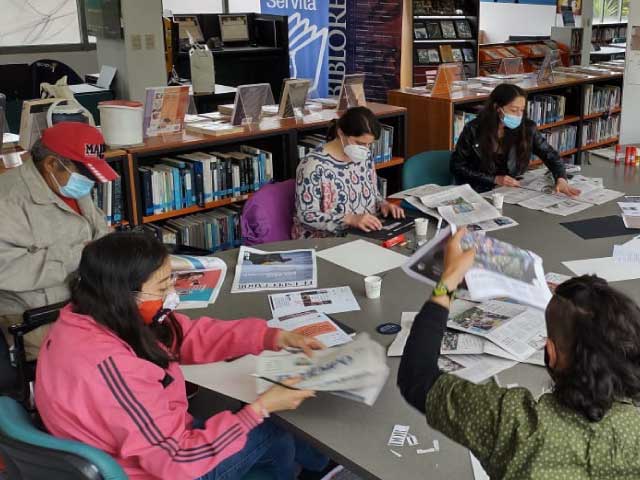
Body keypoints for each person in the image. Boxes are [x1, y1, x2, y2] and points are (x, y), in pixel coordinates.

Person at [36, 232, 329, 480]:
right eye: (163, 287)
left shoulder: (89, 316)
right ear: (123, 294)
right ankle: (311, 469)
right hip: (157, 468)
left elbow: (185, 336)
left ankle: (312, 464)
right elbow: (176, 460)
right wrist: (260, 408)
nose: (173, 293)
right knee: (274, 433)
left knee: (270, 433)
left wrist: (270, 336)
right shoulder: (112, 366)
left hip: (145, 443)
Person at [398, 228, 640, 479]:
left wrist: (447, 280)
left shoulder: (513, 422)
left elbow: (417, 378)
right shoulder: (634, 428)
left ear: (551, 354)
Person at [0, 122, 116, 359]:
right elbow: (6, 269)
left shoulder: (67, 184)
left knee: (132, 348)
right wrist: (79, 255)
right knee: (80, 369)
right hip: (34, 315)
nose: (89, 182)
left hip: (88, 302)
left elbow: (98, 228)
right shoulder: (8, 200)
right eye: (84, 173)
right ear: (52, 163)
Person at [292, 106, 404, 239]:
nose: (366, 149)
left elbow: (373, 192)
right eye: (360, 143)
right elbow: (306, 215)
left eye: (369, 144)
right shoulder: (312, 166)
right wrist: (349, 219)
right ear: (341, 133)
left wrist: (383, 204)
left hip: (365, 232)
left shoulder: (364, 156)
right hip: (326, 239)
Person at [451, 83, 580, 196]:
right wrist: (494, 179)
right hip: (480, 190)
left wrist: (561, 178)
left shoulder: (527, 128)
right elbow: (457, 166)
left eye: (522, 110)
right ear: (497, 108)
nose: (519, 115)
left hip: (512, 189)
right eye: (513, 110)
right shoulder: (473, 129)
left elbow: (551, 155)